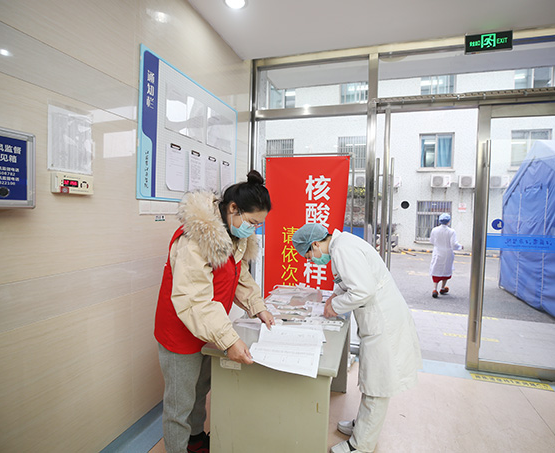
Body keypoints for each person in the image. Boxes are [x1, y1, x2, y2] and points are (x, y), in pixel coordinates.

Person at [154, 170, 275, 453]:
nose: (254, 230)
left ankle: (195, 440)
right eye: (252, 222)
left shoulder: (232, 235)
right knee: (179, 404)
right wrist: (229, 340)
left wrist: (258, 307)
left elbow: (238, 275)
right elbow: (194, 300)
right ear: (233, 208)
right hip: (180, 332)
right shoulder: (194, 241)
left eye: (258, 225)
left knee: (199, 391)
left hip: (207, 328)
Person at [292, 223, 422, 453]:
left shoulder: (343, 249)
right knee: (371, 380)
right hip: (379, 320)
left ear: (315, 244)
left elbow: (363, 291)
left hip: (384, 323)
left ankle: (360, 445)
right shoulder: (341, 245)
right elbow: (349, 281)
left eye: (309, 255)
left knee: (377, 386)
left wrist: (335, 307)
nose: (311, 260)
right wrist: (334, 297)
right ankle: (362, 426)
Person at [429, 213, 463, 298]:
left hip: (437, 252)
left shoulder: (434, 230)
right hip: (447, 253)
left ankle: (435, 289)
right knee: (446, 270)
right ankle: (443, 288)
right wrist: (460, 247)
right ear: (449, 221)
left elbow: (431, 241)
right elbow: (453, 244)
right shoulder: (451, 231)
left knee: (436, 269)